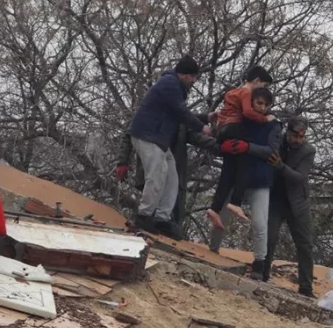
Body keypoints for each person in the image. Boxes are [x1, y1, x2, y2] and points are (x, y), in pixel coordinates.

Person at [126, 55, 210, 240]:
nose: (193, 81)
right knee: (156, 177)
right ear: (184, 74)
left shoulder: (173, 86)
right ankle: (144, 215)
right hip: (149, 135)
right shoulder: (169, 83)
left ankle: (162, 217)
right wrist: (202, 127)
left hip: (158, 138)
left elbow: (178, 112)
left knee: (171, 177)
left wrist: (207, 118)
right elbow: (181, 112)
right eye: (192, 77)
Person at [208, 87, 281, 279]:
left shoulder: (274, 125)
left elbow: (272, 150)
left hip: (259, 178)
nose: (262, 107)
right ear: (252, 102)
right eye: (258, 103)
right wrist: (221, 147)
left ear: (270, 106)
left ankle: (259, 263)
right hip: (236, 175)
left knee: (259, 223)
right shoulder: (241, 119)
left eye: (266, 104)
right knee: (220, 216)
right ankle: (211, 251)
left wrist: (248, 148)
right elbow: (222, 139)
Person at [117, 113, 218, 227]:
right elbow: (129, 133)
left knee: (172, 217)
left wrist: (222, 145)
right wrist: (123, 161)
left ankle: (160, 230)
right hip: (152, 171)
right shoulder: (151, 110)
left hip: (175, 174)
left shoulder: (182, 122)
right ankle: (143, 224)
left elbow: (198, 137)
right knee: (149, 214)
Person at [206, 66, 274, 230]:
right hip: (234, 128)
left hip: (223, 131)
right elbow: (248, 113)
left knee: (228, 172)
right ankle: (236, 202)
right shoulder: (245, 93)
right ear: (256, 81)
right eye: (263, 86)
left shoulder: (232, 92)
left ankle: (215, 208)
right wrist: (266, 119)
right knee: (246, 163)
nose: (262, 90)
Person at [262, 117, 317, 297]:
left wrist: (280, 166)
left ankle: (306, 287)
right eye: (294, 136)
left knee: (305, 245)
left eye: (301, 137)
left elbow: (299, 177)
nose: (297, 141)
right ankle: (262, 275)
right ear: (288, 132)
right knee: (269, 238)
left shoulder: (308, 151)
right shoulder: (277, 143)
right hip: (276, 199)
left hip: (298, 203)